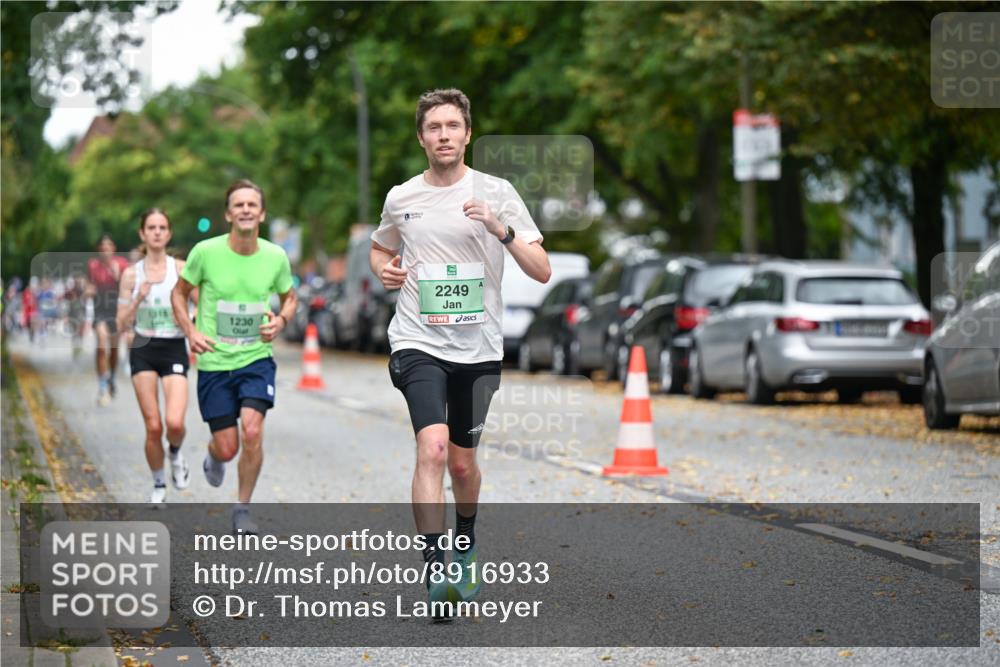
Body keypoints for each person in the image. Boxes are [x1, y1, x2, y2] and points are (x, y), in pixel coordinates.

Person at [369, 89, 551, 614]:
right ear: (421, 136)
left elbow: (541, 270)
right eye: (434, 127)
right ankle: (436, 573)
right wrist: (386, 269)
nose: (443, 135)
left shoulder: (498, 192)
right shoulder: (402, 197)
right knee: (433, 449)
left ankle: (465, 544)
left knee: (464, 467)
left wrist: (501, 228)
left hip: (478, 347)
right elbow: (382, 248)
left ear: (468, 133)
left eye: (452, 126)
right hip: (417, 340)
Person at [171, 179, 296, 534]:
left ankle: (242, 508)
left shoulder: (275, 256)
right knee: (228, 447)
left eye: (251, 205)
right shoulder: (205, 253)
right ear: (228, 214)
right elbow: (178, 295)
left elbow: (290, 296)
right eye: (238, 205)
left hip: (256, 358)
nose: (245, 210)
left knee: (252, 431)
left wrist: (282, 319)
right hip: (214, 361)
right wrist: (191, 332)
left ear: (262, 213)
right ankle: (215, 454)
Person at [116, 209, 193, 505]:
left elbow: (203, 305)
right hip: (143, 349)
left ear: (169, 233)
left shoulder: (182, 269)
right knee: (153, 426)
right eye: (152, 227)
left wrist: (196, 324)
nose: (157, 232)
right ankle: (159, 483)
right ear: (142, 234)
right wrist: (138, 296)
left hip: (174, 347)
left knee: (174, 423)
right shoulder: (131, 274)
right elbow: (120, 324)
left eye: (163, 227)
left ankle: (175, 453)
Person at [87, 234, 130, 405]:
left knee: (113, 350)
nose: (106, 251)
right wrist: (88, 290)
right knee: (101, 346)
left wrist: (117, 275)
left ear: (114, 248)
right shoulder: (92, 265)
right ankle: (103, 385)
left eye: (109, 247)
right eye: (102, 248)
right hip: (100, 310)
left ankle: (111, 377)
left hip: (116, 310)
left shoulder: (121, 264)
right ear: (99, 250)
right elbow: (89, 284)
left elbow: (127, 287)